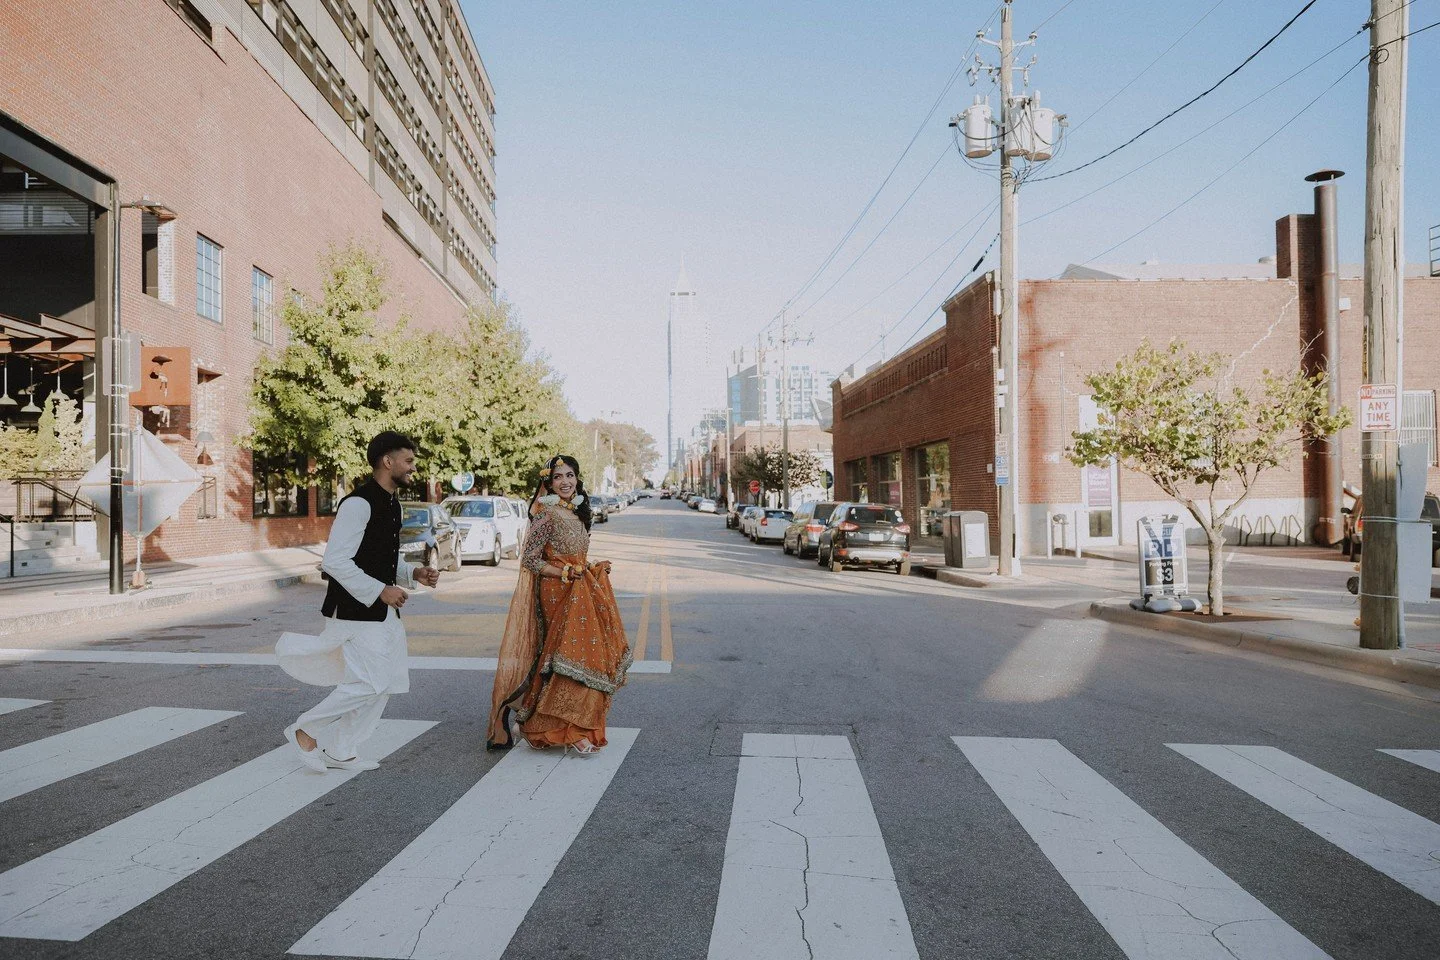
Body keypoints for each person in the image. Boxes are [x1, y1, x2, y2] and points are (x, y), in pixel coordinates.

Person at [276, 431, 440, 773]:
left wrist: (413, 574)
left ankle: (341, 750)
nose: (413, 468)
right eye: (408, 461)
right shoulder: (358, 503)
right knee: (368, 682)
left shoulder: (391, 502)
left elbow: (375, 558)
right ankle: (306, 730)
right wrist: (381, 590)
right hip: (353, 611)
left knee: (386, 681)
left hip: (378, 612)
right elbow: (335, 561)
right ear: (387, 461)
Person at [487, 455, 630, 755]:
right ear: (548, 483)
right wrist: (565, 572)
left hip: (579, 590)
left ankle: (559, 723)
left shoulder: (577, 512)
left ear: (577, 479)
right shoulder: (545, 514)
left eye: (570, 475)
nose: (565, 482)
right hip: (555, 592)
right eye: (558, 477)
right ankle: (567, 730)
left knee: (582, 657)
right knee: (565, 660)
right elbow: (530, 560)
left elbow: (574, 554)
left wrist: (591, 568)